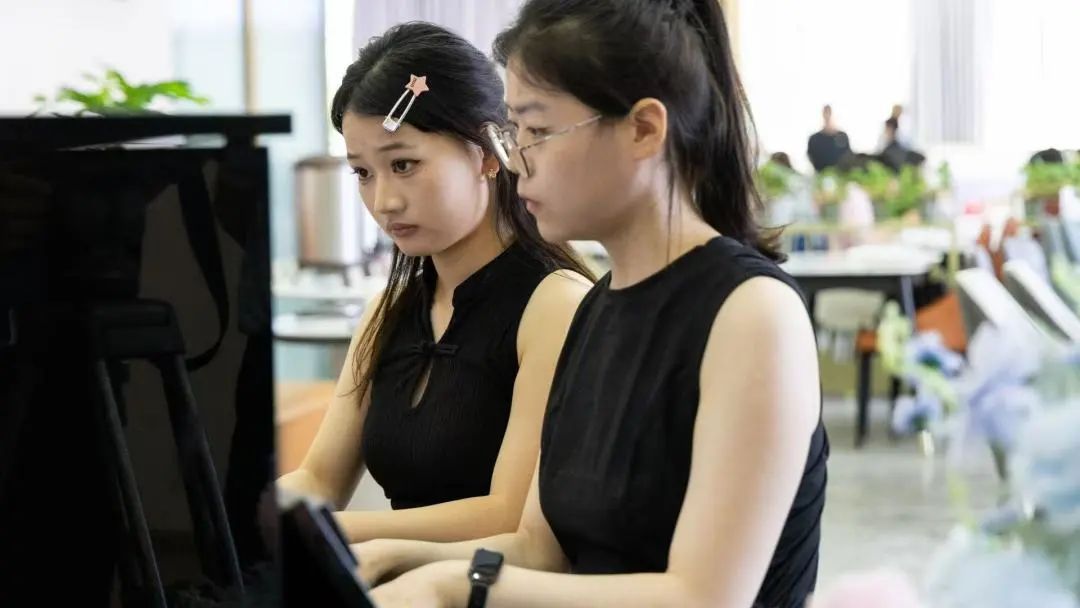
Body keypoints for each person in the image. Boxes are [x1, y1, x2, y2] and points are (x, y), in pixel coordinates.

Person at [354, 2, 829, 607]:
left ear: (643, 129)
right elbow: (537, 549)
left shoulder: (752, 314)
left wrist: (451, 585)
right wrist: (388, 555)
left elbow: (702, 598)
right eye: (514, 132)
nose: (516, 161)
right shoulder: (597, 309)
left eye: (537, 131)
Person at [275, 21, 594, 545]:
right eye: (363, 173)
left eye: (404, 164)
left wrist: (333, 530)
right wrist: (241, 514)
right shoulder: (387, 313)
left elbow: (508, 517)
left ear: (487, 153)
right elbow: (319, 479)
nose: (383, 202)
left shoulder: (555, 305)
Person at [807, 104, 852, 172]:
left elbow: (848, 156)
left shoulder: (843, 136)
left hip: (841, 174)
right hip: (821, 174)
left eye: (830, 113)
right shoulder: (814, 139)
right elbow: (811, 157)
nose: (828, 116)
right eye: (826, 113)